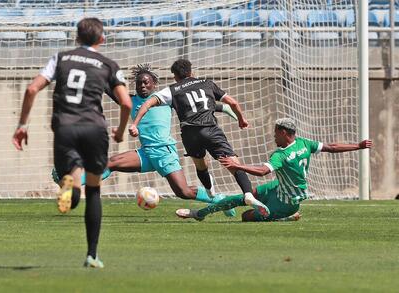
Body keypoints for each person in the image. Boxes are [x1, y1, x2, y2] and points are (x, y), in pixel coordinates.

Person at [12, 18, 132, 268]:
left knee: (72, 182)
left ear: (76, 38)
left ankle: (69, 188)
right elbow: (126, 103)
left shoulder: (61, 58)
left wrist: (22, 125)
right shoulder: (109, 64)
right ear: (102, 39)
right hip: (94, 129)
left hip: (65, 127)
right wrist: (120, 132)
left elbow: (32, 89)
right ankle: (92, 255)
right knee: (95, 190)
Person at [51, 63, 239, 216]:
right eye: (139, 83)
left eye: (146, 82)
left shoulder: (166, 98)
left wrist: (229, 111)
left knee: (183, 192)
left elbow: (200, 106)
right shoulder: (130, 101)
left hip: (164, 152)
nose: (142, 85)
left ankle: (220, 200)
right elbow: (109, 88)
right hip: (146, 152)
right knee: (110, 163)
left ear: (154, 84)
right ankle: (70, 185)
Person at [129, 59, 270, 217]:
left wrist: (135, 124)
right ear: (191, 72)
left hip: (190, 134)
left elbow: (147, 104)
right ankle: (248, 194)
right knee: (233, 163)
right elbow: (232, 102)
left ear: (175, 76)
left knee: (201, 165)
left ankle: (210, 191)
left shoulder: (172, 90)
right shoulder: (207, 83)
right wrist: (241, 119)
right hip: (210, 129)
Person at [175, 118, 373, 222]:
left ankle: (285, 217)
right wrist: (359, 145)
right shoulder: (304, 143)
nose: (274, 137)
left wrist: (238, 165)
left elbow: (262, 171)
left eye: (276, 133)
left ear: (284, 133)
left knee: (246, 217)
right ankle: (200, 213)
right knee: (244, 196)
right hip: (279, 188)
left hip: (286, 204)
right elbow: (332, 147)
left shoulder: (281, 155)